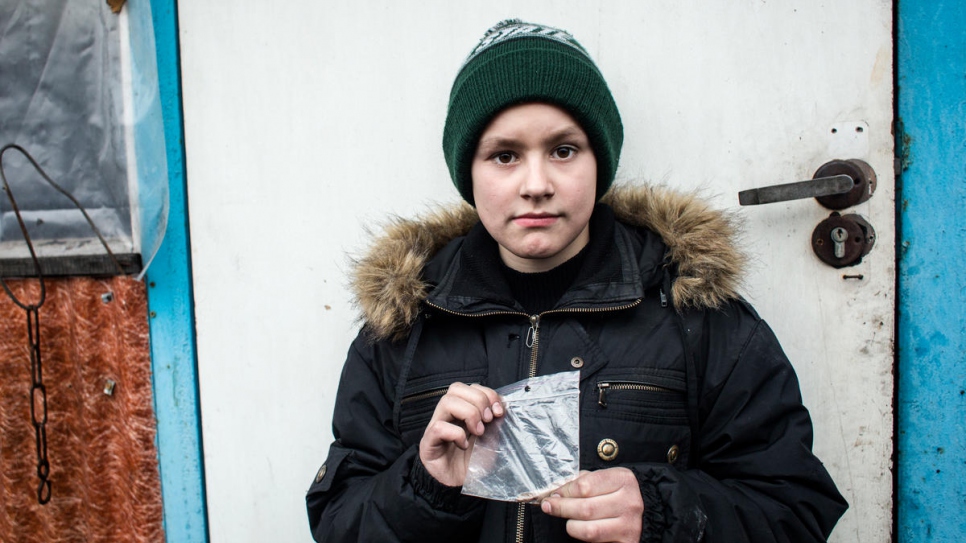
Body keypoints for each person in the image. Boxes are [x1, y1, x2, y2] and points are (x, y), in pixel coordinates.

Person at [306, 19, 847, 543]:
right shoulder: (403, 327)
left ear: (600, 163)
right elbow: (337, 522)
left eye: (563, 150)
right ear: (468, 173)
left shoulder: (694, 313)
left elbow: (794, 509)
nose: (536, 184)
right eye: (504, 155)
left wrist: (664, 514)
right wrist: (427, 487)